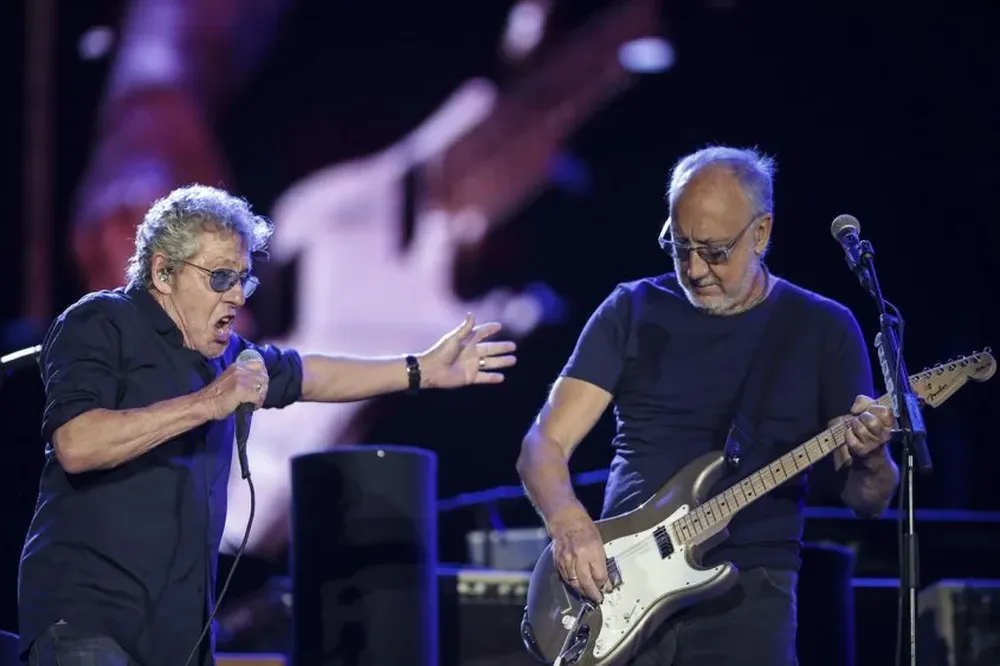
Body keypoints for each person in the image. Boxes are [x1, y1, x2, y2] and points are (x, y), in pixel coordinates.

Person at [18, 184, 517, 666]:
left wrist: (419, 370)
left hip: (179, 639)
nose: (236, 296)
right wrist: (207, 403)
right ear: (163, 272)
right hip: (89, 622)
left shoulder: (231, 356)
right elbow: (77, 443)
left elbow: (311, 373)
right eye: (219, 278)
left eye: (243, 279)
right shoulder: (103, 321)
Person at [515, 145, 899, 665]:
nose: (694, 269)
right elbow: (544, 443)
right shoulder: (632, 309)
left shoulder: (824, 328)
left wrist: (874, 457)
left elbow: (866, 499)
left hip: (750, 592)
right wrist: (568, 523)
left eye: (714, 251)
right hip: (620, 585)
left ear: (761, 233)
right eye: (679, 247)